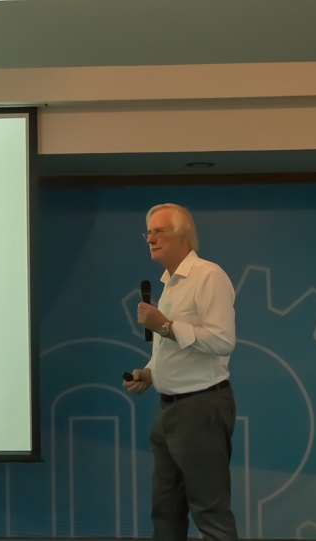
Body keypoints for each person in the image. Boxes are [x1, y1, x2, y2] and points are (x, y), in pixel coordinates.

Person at [123, 203, 238, 541]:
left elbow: (222, 341)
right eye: (148, 232)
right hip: (169, 409)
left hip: (201, 407)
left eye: (160, 231)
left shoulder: (208, 276)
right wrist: (149, 373)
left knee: (209, 512)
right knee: (165, 510)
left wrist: (164, 325)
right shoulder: (170, 283)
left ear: (184, 236)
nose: (150, 238)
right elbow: (175, 348)